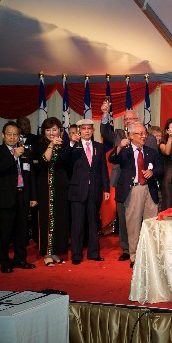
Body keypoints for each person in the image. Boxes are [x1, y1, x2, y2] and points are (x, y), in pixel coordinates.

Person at [100, 101, 157, 262]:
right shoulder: (118, 134)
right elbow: (105, 132)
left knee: (145, 219)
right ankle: (127, 249)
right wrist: (105, 114)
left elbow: (155, 159)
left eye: (132, 119)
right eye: (126, 119)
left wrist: (151, 172)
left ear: (138, 120)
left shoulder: (148, 138)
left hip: (145, 184)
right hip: (123, 182)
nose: (128, 121)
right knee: (126, 219)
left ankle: (145, 252)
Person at [108, 122, 163, 268]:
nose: (144, 136)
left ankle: (150, 255)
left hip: (149, 190)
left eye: (145, 133)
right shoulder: (124, 151)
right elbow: (112, 158)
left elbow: (160, 168)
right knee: (133, 225)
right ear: (131, 136)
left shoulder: (151, 151)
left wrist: (152, 172)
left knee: (151, 224)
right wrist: (119, 147)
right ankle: (134, 256)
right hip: (133, 190)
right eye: (140, 134)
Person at [66, 119, 110, 265]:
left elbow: (103, 169)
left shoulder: (99, 147)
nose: (86, 131)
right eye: (83, 129)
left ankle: (94, 252)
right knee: (77, 225)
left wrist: (106, 189)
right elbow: (66, 162)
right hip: (77, 191)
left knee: (93, 223)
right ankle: (76, 254)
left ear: (93, 130)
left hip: (94, 191)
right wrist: (72, 144)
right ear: (79, 131)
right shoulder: (73, 147)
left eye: (89, 128)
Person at [0, 122, 37, 273]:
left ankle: (20, 259)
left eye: (16, 134)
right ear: (3, 135)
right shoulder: (0, 152)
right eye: (9, 134)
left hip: (23, 196)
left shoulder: (25, 152)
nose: (13, 137)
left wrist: (33, 196)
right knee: (5, 232)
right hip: (5, 197)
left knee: (22, 231)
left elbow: (30, 175)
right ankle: (4, 261)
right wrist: (13, 156)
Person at [37, 117, 70, 266]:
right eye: (48, 130)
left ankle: (56, 251)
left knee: (60, 220)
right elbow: (44, 161)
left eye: (54, 129)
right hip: (46, 188)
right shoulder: (40, 145)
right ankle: (47, 253)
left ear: (59, 130)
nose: (52, 132)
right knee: (47, 219)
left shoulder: (64, 145)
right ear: (44, 132)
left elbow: (68, 164)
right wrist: (51, 144)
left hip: (61, 188)